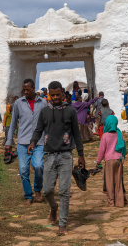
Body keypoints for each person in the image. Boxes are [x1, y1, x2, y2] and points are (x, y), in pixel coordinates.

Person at [28, 81, 85, 235]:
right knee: (47, 190)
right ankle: (53, 207)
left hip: (66, 155)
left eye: (57, 94)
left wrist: (81, 154)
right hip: (49, 155)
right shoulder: (45, 112)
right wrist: (33, 142)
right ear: (49, 95)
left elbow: (76, 133)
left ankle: (62, 224)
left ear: (62, 93)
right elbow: (38, 129)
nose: (55, 97)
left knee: (64, 191)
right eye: (52, 95)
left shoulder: (70, 111)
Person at [5, 79, 48, 205]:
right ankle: (28, 196)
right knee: (23, 170)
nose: (25, 92)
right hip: (23, 142)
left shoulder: (43, 102)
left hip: (39, 142)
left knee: (39, 166)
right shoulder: (19, 103)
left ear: (33, 88)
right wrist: (9, 141)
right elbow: (13, 123)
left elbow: (47, 122)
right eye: (24, 89)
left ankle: (38, 188)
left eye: (28, 89)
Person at [96, 115, 127, 207]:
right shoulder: (119, 134)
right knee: (118, 180)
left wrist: (98, 161)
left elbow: (102, 150)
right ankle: (120, 201)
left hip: (109, 161)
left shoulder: (105, 136)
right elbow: (123, 145)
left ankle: (111, 202)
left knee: (109, 181)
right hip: (119, 160)